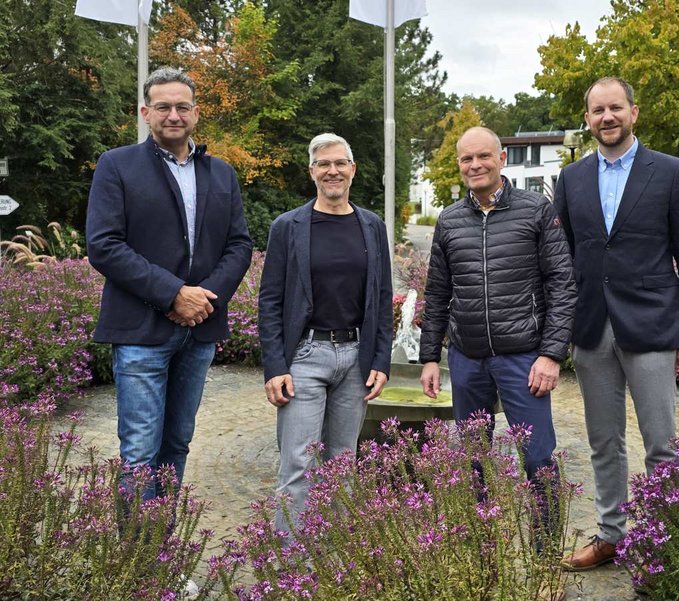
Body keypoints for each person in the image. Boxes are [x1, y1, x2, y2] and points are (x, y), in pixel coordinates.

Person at [554, 77, 679, 571]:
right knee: (604, 439)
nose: (606, 118)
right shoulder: (572, 179)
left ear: (633, 113)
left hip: (652, 326)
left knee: (660, 440)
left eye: (615, 108)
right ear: (587, 119)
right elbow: (562, 257)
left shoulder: (671, 172)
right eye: (597, 110)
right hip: (593, 328)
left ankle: (667, 540)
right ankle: (610, 535)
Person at [86, 67, 253, 501]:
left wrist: (203, 301)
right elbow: (104, 245)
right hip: (141, 330)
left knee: (177, 445)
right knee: (140, 452)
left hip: (199, 332)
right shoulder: (116, 165)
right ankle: (137, 567)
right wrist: (173, 294)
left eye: (182, 106)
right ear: (146, 112)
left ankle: (164, 561)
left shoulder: (222, 175)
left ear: (196, 113)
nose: (173, 115)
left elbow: (239, 245)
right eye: (163, 107)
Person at [419, 126, 577, 505]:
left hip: (523, 358)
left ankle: (545, 551)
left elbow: (562, 284)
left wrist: (552, 354)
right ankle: (483, 547)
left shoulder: (536, 210)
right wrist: (428, 358)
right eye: (467, 159)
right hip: (467, 358)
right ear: (459, 165)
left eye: (483, 156)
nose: (475, 165)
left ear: (501, 158)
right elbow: (438, 292)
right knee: (473, 460)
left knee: (538, 458)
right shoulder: (450, 220)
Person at [258, 133, 393, 535]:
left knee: (341, 461)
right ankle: (292, 565)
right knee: (298, 462)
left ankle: (335, 559)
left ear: (352, 169)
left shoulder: (372, 226)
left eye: (340, 163)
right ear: (312, 171)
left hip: (356, 358)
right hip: (305, 355)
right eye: (323, 164)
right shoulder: (288, 227)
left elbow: (382, 298)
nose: (332, 170)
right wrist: (274, 366)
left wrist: (381, 360)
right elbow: (270, 301)